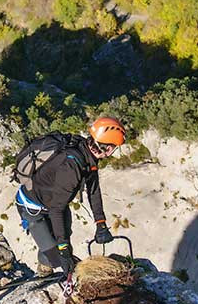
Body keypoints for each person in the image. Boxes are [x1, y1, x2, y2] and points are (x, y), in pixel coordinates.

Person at [13, 116, 126, 278]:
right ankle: (44, 275)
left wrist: (100, 223)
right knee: (56, 255)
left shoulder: (87, 154)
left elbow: (93, 190)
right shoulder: (72, 166)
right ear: (106, 147)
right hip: (33, 207)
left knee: (63, 242)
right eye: (114, 147)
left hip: (54, 202)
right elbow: (56, 210)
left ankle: (49, 267)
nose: (113, 151)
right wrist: (63, 249)